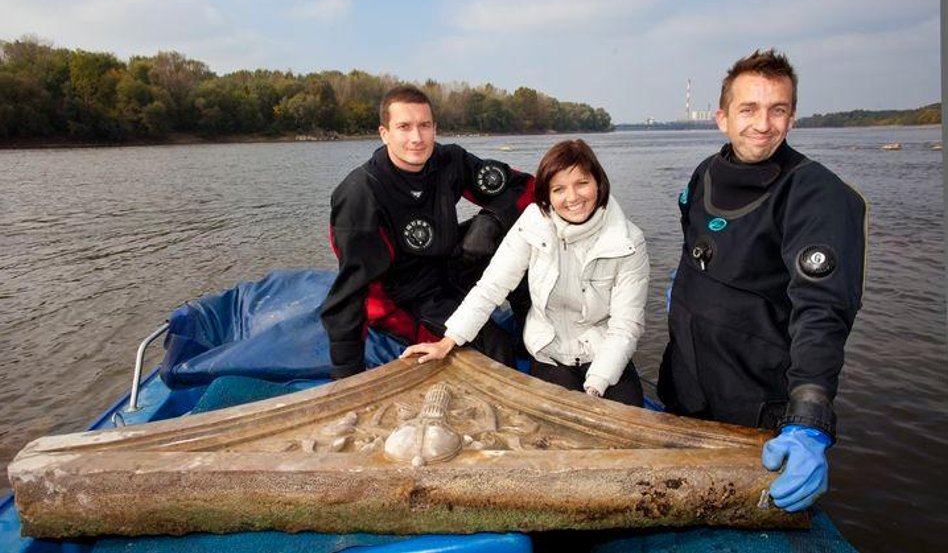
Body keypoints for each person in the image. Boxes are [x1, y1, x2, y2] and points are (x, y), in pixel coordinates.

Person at [658, 49, 868, 512]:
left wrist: (809, 419)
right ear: (722, 118)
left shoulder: (818, 195)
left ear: (792, 118)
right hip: (685, 387)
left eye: (778, 110)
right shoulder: (704, 175)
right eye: (748, 109)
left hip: (755, 408)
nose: (763, 124)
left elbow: (822, 313)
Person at [400, 139, 650, 406]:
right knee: (559, 429)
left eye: (582, 183)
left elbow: (626, 325)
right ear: (547, 196)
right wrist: (448, 341)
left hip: (603, 347)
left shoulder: (628, 240)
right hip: (548, 350)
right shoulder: (533, 222)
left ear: (598, 182)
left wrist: (596, 385)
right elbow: (491, 287)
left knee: (627, 420)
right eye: (559, 189)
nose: (572, 197)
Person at [321, 85, 534, 380]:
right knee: (494, 344)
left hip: (448, 265)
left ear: (435, 128)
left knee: (522, 238)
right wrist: (347, 378)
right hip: (407, 297)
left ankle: (535, 339)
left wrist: (492, 219)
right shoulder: (361, 195)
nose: (416, 138)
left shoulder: (450, 161)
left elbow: (527, 187)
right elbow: (350, 294)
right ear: (384, 133)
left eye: (424, 126)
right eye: (404, 127)